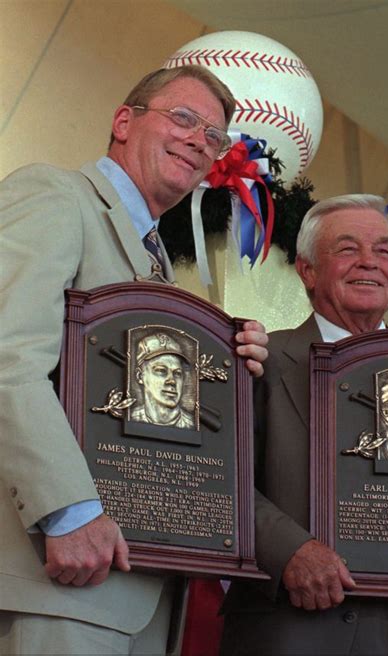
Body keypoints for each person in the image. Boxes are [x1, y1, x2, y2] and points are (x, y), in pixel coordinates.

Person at [0, 65, 268, 655]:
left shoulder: (161, 271)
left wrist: (229, 365)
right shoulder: (56, 195)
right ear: (124, 121)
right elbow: (7, 356)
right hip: (61, 576)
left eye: (215, 137)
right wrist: (66, 512)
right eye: (183, 118)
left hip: (144, 593)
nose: (200, 139)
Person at [220, 194, 388, 656]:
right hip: (301, 629)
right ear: (308, 269)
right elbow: (214, 476)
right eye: (347, 249)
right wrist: (288, 550)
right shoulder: (258, 359)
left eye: (382, 251)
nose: (369, 264)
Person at [131, 333, 195, 428]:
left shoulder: (191, 425)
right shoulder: (131, 417)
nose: (172, 381)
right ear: (140, 376)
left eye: (177, 373)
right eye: (161, 371)